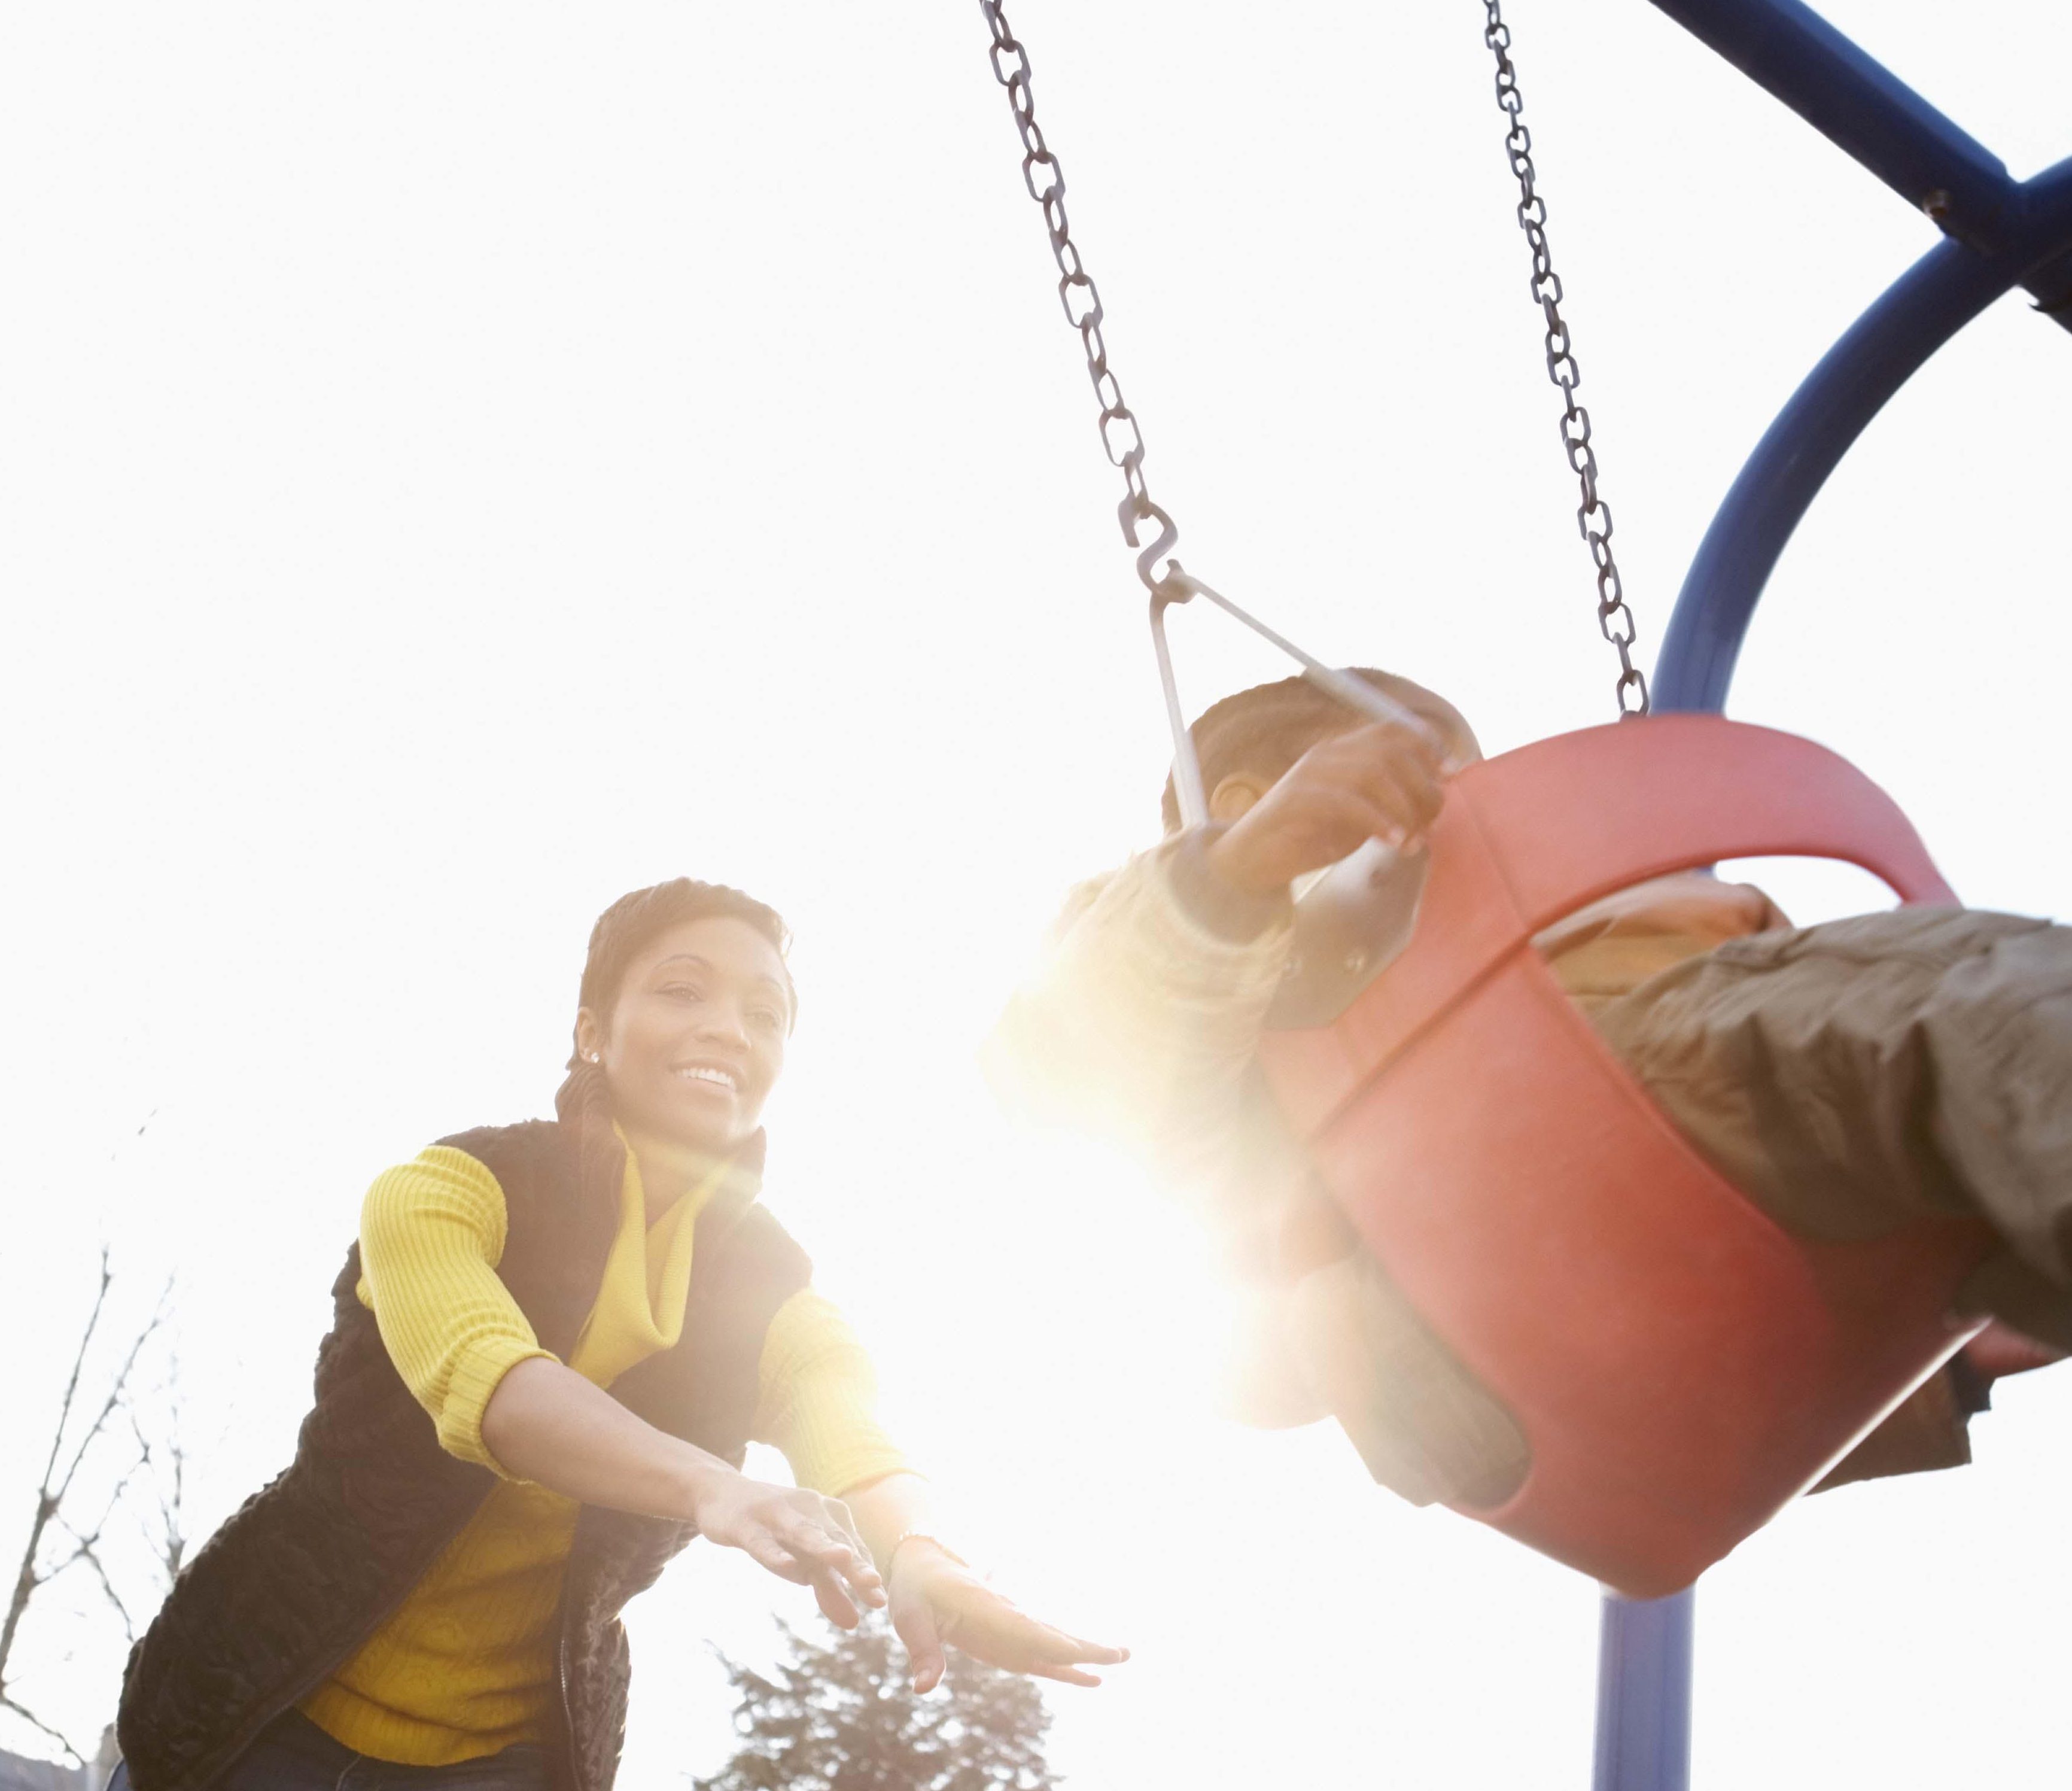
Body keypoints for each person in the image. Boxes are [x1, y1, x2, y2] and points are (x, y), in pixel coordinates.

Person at [116, 878, 1124, 1791]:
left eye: (764, 1012)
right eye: (684, 990)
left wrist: (921, 1552)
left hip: (506, 1761)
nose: (728, 1027)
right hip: (253, 1713)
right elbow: (495, 1386)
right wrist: (711, 1484)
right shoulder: (449, 1187)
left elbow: (849, 1425)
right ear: (592, 1031)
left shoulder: (777, 1295)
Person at [988, 670, 2069, 1509]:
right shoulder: (1207, 974)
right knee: (1976, 997)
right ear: (1253, 800)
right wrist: (1246, 862)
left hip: (1653, 1322)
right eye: (1433, 776)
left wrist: (1942, 1358)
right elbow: (1074, 1059)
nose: (1481, 809)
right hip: (1528, 1183)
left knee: (1953, 1041)